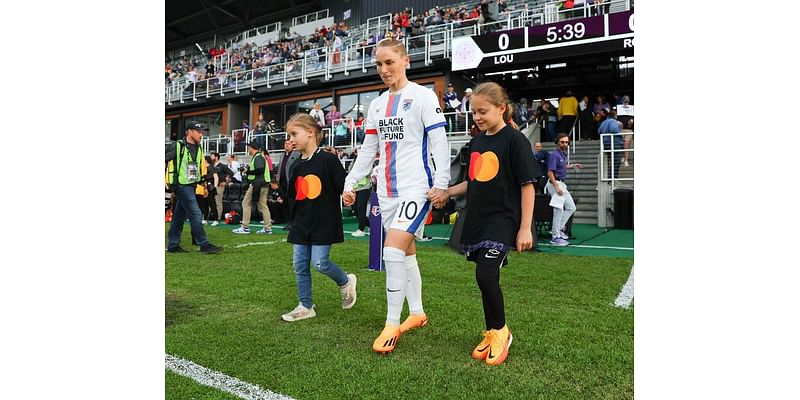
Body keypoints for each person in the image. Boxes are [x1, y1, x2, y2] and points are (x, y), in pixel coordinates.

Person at [342, 38, 450, 354]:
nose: (384, 69)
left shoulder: (422, 96)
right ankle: (416, 312)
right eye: (379, 64)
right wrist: (350, 182)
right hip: (385, 191)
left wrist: (441, 182)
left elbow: (440, 143)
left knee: (390, 252)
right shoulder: (376, 105)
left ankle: (392, 323)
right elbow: (368, 150)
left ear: (405, 61)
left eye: (389, 62)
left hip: (416, 187)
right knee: (406, 252)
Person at [444, 82, 536, 366]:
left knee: (486, 275)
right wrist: (447, 192)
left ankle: (502, 332)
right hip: (478, 219)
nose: (477, 118)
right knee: (484, 278)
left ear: (501, 108)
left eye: (482, 112)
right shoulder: (478, 142)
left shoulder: (515, 140)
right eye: (473, 113)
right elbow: (474, 181)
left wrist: (524, 228)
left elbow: (528, 185)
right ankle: (493, 330)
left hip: (503, 219)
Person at [281, 113, 358, 322]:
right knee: (300, 265)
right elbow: (293, 196)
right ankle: (305, 306)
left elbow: (344, 186)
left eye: (294, 134)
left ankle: (345, 281)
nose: (291, 139)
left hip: (323, 222)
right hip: (301, 224)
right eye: (289, 135)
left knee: (320, 264)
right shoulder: (296, 165)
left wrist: (349, 195)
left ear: (311, 133)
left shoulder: (328, 160)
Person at [165, 121, 223, 254]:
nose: (201, 134)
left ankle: (173, 245)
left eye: (202, 132)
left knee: (179, 216)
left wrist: (202, 184)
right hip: (181, 185)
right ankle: (204, 244)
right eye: (198, 132)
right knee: (196, 213)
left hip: (191, 185)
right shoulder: (177, 146)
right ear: (189, 131)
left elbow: (196, 168)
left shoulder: (199, 147)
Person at [546, 133, 583, 246]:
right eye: (562, 142)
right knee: (558, 210)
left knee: (571, 207)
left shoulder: (562, 154)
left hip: (561, 183)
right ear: (557, 142)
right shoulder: (554, 155)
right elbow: (550, 172)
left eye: (567, 142)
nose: (565, 144)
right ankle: (555, 237)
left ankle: (557, 230)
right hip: (555, 183)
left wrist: (573, 165)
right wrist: (556, 186)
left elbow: (562, 166)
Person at [231, 141, 273, 235]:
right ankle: (267, 228)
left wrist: (248, 171)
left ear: (252, 148)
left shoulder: (258, 157)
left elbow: (260, 169)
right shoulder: (259, 157)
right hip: (262, 184)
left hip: (258, 185)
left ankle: (245, 227)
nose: (248, 149)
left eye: (248, 148)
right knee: (263, 206)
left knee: (246, 203)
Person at [277, 138, 301, 231]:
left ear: (292, 145)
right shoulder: (282, 155)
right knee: (285, 203)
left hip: (291, 182)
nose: (286, 145)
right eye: (285, 143)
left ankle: (294, 222)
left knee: (292, 203)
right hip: (282, 182)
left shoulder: (297, 154)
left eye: (288, 144)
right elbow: (280, 168)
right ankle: (288, 221)